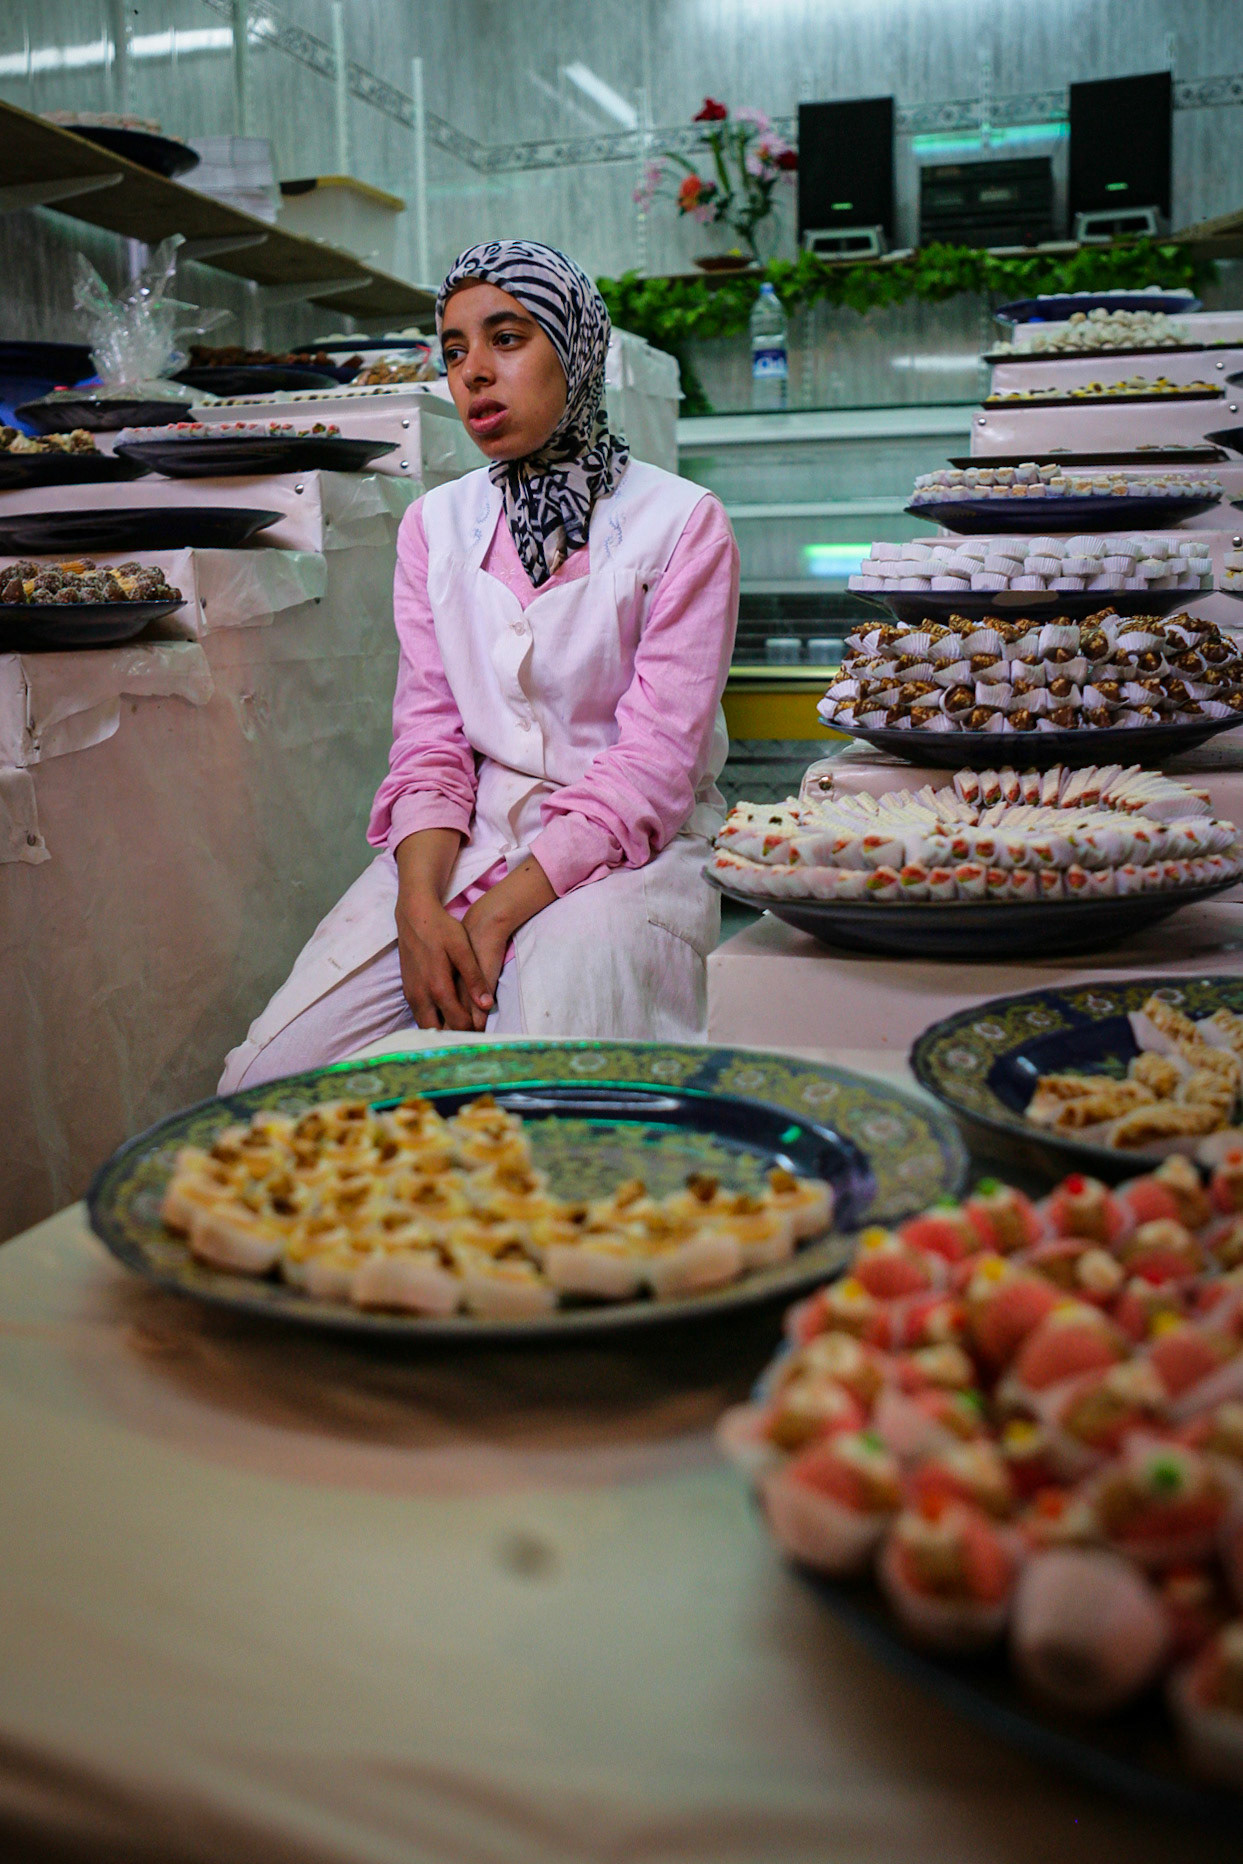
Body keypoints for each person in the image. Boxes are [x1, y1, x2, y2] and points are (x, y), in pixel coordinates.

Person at [219, 240, 739, 1092]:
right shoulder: (435, 525)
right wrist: (420, 907)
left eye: (507, 337)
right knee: (264, 1082)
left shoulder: (679, 523)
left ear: (574, 349)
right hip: (466, 839)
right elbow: (428, 741)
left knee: (544, 1083)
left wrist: (497, 915)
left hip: (623, 851)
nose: (474, 374)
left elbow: (653, 767)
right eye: (454, 350)